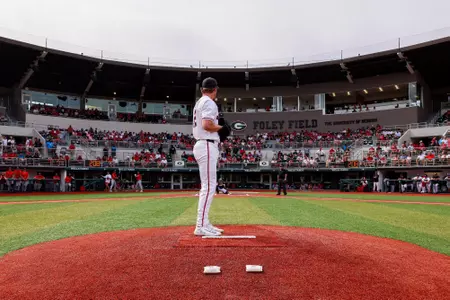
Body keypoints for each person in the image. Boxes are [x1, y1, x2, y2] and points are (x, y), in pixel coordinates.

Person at [192, 77, 230, 237]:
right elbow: (207, 125)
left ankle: (205, 223)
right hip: (206, 144)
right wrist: (222, 128)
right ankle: (200, 225)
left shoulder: (200, 102)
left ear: (202, 89)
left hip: (204, 144)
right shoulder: (209, 102)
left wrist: (218, 127)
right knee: (208, 187)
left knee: (208, 186)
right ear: (215, 89)